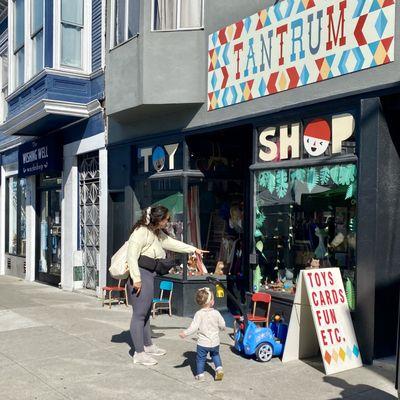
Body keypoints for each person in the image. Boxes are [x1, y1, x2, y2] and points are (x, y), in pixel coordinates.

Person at [127, 205, 207, 366]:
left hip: (149, 274)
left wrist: (193, 249)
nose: (167, 222)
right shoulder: (140, 232)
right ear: (158, 219)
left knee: (146, 312)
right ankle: (139, 353)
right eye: (166, 219)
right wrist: (136, 279)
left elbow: (172, 243)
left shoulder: (156, 233)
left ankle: (148, 345)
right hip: (141, 274)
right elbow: (131, 256)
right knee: (139, 314)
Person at [179, 287, 226, 381]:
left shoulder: (199, 314)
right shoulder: (216, 313)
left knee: (200, 359)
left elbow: (194, 327)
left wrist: (185, 333)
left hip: (203, 343)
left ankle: (200, 375)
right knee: (215, 355)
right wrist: (222, 328)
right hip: (215, 342)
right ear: (211, 302)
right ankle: (219, 369)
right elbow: (222, 324)